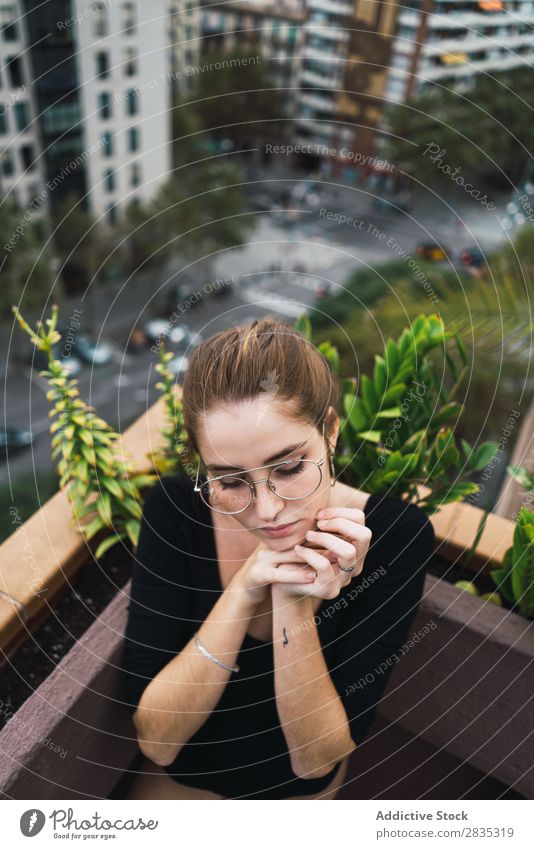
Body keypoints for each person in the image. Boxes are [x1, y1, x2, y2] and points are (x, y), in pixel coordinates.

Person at [121, 316, 435, 800]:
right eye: (229, 482)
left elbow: (315, 759)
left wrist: (293, 599)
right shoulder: (176, 511)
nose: (267, 511)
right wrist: (247, 588)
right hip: (179, 791)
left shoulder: (396, 536)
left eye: (288, 468)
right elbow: (157, 741)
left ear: (329, 432)